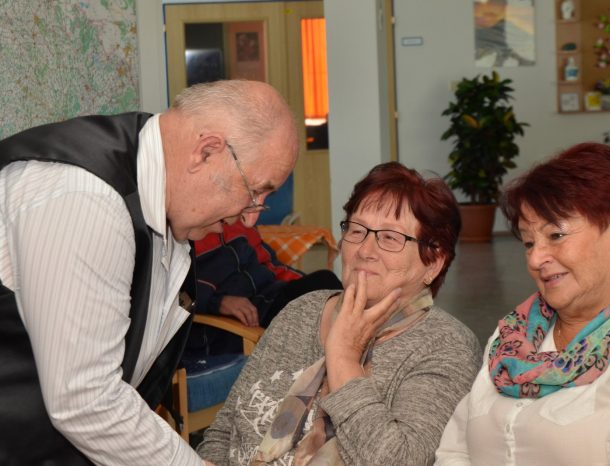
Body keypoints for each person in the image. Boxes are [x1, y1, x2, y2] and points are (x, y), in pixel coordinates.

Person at [0, 79, 298, 465]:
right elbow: (85, 399)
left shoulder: (165, 202)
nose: (252, 216)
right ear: (207, 151)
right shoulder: (87, 198)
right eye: (255, 191)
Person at [197, 162, 482, 465]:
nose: (365, 250)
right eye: (357, 230)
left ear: (433, 262)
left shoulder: (446, 346)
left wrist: (344, 358)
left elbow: (401, 460)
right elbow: (224, 430)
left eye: (390, 237)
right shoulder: (302, 311)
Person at [436, 143, 610, 465]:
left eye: (556, 235)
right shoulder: (514, 337)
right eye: (529, 242)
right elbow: (454, 451)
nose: (535, 259)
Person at [187, 219, 342, 356]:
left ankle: (345, 363)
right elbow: (178, 294)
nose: (253, 212)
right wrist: (217, 302)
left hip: (268, 299)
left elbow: (271, 265)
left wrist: (305, 285)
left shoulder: (240, 222)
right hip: (231, 323)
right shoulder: (186, 231)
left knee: (325, 285)